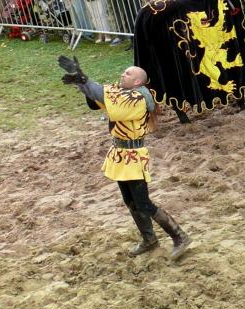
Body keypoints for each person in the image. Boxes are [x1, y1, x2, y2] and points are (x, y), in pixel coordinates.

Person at [57, 56, 191, 259]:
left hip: (133, 157)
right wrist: (81, 82)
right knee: (130, 201)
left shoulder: (137, 99)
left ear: (138, 81)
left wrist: (83, 79)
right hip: (121, 155)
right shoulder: (124, 93)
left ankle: (180, 236)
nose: (123, 74)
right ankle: (149, 240)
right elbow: (100, 98)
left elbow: (106, 97)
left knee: (144, 202)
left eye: (128, 73)